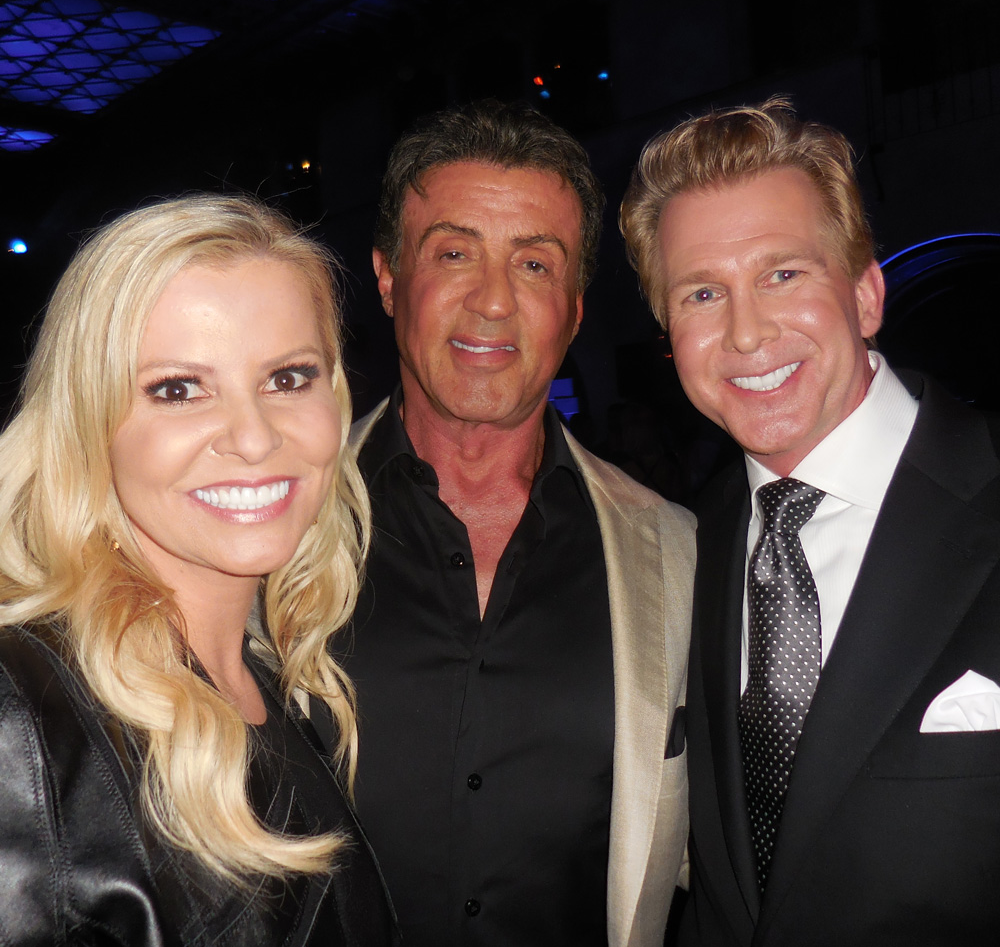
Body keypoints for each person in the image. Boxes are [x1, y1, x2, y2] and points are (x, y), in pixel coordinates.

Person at [620, 97, 1000, 946]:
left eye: (782, 275)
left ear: (866, 295)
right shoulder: (680, 544)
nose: (746, 334)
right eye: (702, 294)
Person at [333, 99, 695, 946]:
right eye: (455, 253)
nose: (494, 302)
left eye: (535, 266)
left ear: (573, 310)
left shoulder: (678, 554)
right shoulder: (267, 526)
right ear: (389, 278)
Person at [0, 195, 400, 945]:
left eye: (288, 377)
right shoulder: (20, 720)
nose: (253, 438)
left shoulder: (275, 677)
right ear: (89, 423)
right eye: (179, 389)